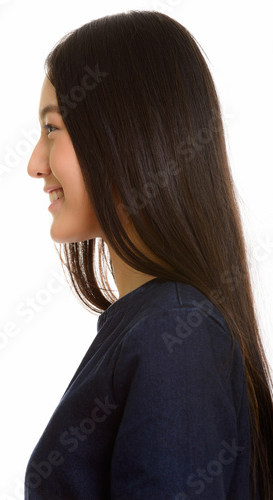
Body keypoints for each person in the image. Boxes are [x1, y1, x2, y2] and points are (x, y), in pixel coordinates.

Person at [24, 10, 273, 499]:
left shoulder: (174, 333)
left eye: (52, 129)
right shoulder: (154, 325)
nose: (35, 164)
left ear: (125, 135)